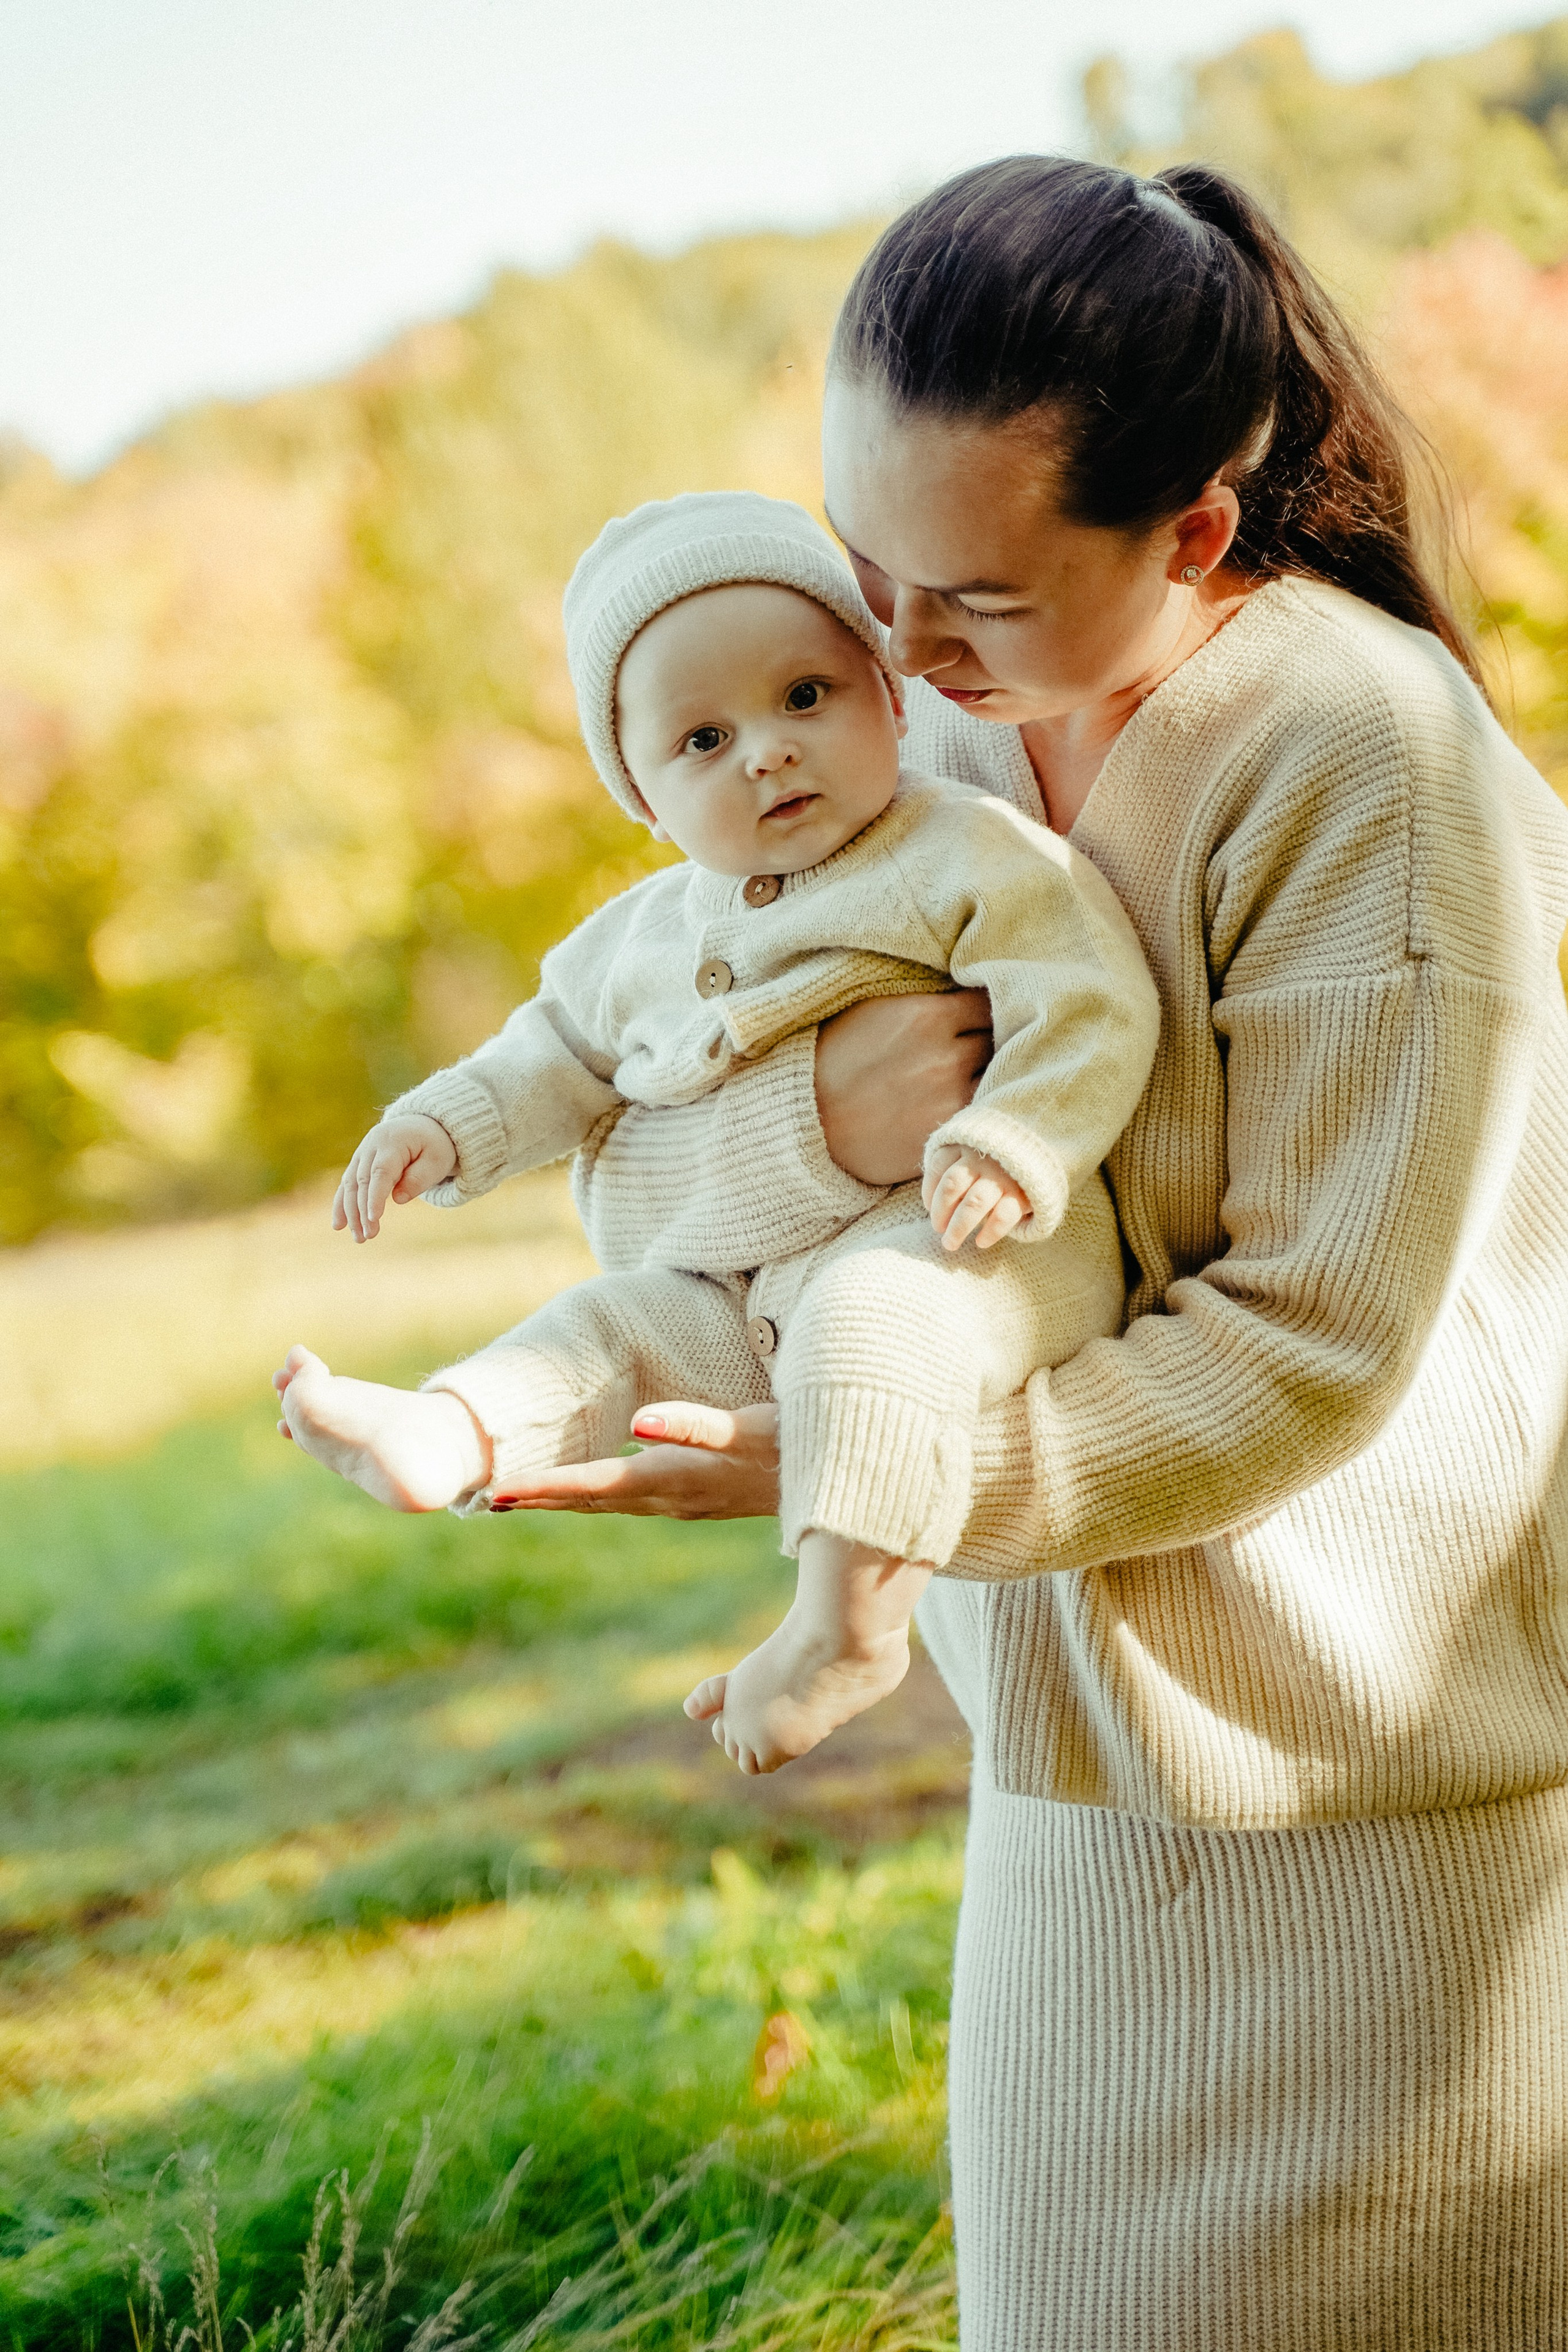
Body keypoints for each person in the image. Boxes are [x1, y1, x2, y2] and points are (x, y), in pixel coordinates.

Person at [484, 160, 1568, 2348]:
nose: (884, 645)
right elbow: (664, 1160)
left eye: (966, 593)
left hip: (1392, 1774)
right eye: (863, 562)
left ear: (1193, 532)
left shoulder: (1364, 761)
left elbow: (1314, 1341)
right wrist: (817, 1121)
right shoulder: (919, 733)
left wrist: (870, 1477)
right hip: (1072, 1750)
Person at [274, 491, 1158, 1777]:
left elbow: (1079, 994)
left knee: (869, 1326)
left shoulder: (955, 849)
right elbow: (554, 1055)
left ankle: (847, 1623)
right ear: (640, 792)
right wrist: (445, 1127)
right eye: (703, 737)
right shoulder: (634, 936)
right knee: (607, 1328)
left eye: (806, 696)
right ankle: (450, 1429)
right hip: (735, 1296)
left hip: (961, 1259)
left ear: (887, 695)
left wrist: (1016, 1138)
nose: (765, 752)